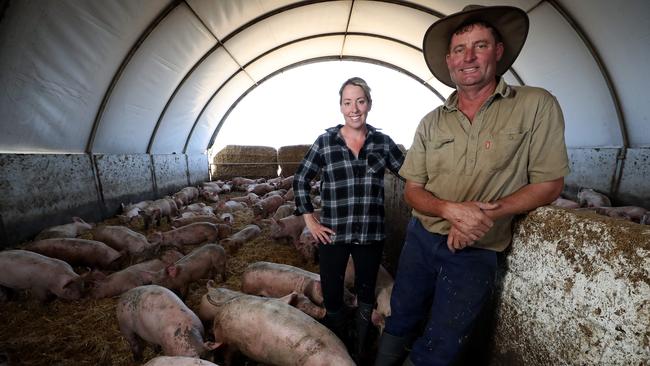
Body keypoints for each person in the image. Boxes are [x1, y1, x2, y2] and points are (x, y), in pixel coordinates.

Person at [374, 5, 570, 366]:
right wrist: (451, 210)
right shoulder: (431, 122)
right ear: (449, 60)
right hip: (422, 238)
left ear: (498, 51)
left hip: (478, 250)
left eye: (479, 46)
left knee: (444, 342)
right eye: (459, 49)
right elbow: (413, 190)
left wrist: (480, 216)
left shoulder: (536, 105)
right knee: (400, 314)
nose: (468, 57)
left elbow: (549, 183)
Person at [293, 76, 405, 360]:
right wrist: (310, 221)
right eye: (347, 102)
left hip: (370, 233)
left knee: (367, 293)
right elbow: (301, 179)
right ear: (341, 107)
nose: (354, 108)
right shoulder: (326, 142)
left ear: (369, 104)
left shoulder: (382, 142)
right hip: (332, 233)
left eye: (360, 101)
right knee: (332, 293)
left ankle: (360, 348)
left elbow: (411, 174)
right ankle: (337, 348)